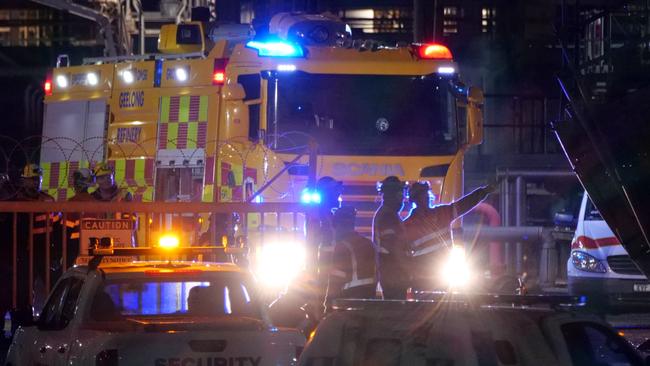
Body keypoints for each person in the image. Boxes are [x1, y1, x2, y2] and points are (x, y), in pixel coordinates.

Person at [403, 181, 496, 291]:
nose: (427, 198)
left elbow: (464, 204)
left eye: (427, 194)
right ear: (416, 199)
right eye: (424, 195)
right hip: (425, 281)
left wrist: (484, 191)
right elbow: (404, 256)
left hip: (442, 278)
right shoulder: (408, 225)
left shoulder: (441, 213)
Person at [14, 164, 58, 315]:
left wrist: (55, 252)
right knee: (25, 287)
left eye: (37, 179)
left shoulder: (48, 200)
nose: (36, 182)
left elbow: (57, 224)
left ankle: (55, 314)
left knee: (54, 285)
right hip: (26, 251)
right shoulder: (17, 201)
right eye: (32, 179)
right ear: (24, 181)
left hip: (46, 249)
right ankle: (25, 316)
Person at [325, 206, 376, 310]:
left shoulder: (342, 246)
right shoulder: (368, 243)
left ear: (338, 225)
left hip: (349, 300)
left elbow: (335, 281)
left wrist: (328, 305)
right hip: (369, 298)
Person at [372, 176, 409, 300]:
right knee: (396, 310)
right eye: (401, 195)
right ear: (393, 196)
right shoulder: (388, 216)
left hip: (391, 273)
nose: (403, 199)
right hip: (393, 274)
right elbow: (394, 248)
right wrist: (408, 269)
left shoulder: (388, 214)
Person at [313, 176, 343, 314]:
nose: (338, 196)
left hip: (332, 263)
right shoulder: (318, 215)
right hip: (324, 263)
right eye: (335, 192)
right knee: (324, 297)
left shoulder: (330, 213)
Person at [91, 162, 136, 246]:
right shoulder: (92, 198)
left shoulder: (124, 195)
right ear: (96, 180)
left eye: (108, 176)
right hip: (99, 242)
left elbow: (132, 221)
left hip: (121, 242)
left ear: (113, 175)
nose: (106, 180)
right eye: (101, 177)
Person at [65, 168, 95, 265]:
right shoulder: (96, 202)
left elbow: (66, 229)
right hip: (94, 246)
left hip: (74, 247)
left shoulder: (72, 202)